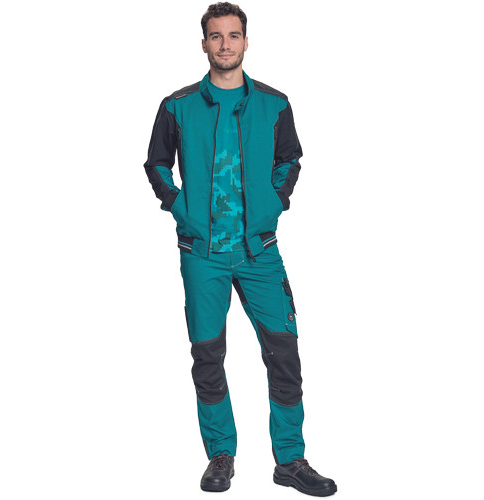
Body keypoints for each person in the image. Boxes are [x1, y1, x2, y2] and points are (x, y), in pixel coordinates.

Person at [143, 2, 337, 496]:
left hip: (259, 252)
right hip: (201, 253)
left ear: (246, 42)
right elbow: (157, 164)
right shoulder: (177, 106)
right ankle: (221, 455)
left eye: (233, 35)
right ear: (203, 44)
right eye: (216, 36)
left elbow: (290, 159)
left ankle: (290, 461)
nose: (225, 44)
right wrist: (181, 208)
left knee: (284, 353)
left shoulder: (275, 104)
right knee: (208, 356)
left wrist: (274, 203)